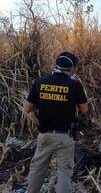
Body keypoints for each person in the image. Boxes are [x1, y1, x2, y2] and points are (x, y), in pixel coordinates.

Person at [24, 52, 88, 193]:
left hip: (45, 135)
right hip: (65, 136)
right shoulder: (74, 85)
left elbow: (27, 108)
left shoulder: (40, 81)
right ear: (72, 68)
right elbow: (84, 109)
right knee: (64, 173)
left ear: (55, 65)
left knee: (37, 169)